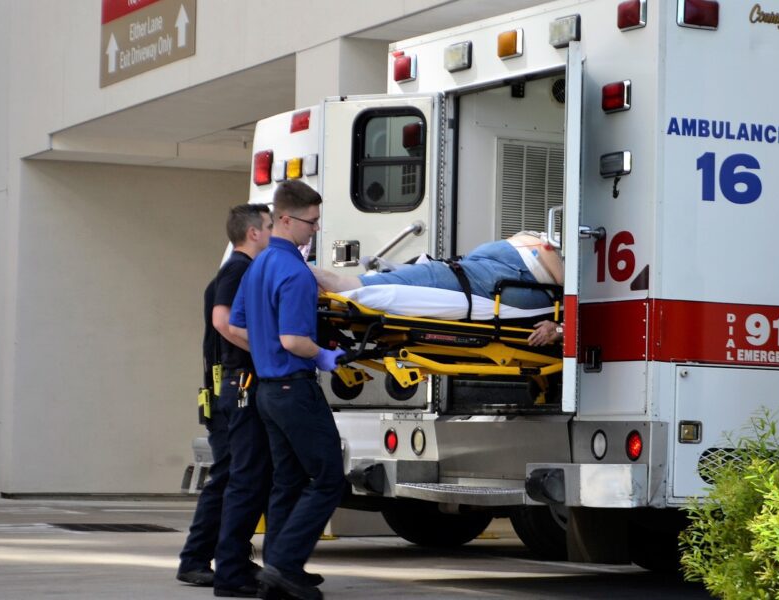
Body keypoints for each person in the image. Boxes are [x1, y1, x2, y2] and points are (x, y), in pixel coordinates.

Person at [229, 180, 345, 600]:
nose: (314, 230)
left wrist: (264, 350)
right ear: (284, 218)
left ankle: (277, 571)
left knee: (289, 480)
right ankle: (285, 564)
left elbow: (236, 325)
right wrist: (326, 357)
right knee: (330, 478)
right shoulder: (294, 271)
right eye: (310, 223)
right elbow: (296, 340)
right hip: (294, 390)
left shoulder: (257, 265)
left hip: (267, 392)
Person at [177, 204, 274, 598]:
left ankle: (215, 556)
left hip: (223, 391)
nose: (273, 232)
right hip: (230, 393)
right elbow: (224, 324)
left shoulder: (231, 271)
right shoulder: (237, 270)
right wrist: (271, 351)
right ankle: (196, 560)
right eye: (269, 226)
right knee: (233, 478)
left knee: (234, 476)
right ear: (253, 233)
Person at [311, 232, 563, 310]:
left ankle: (348, 285)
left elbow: (571, 289)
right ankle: (356, 285)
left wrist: (558, 328)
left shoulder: (570, 254)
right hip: (507, 266)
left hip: (522, 277)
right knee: (434, 271)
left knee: (436, 274)